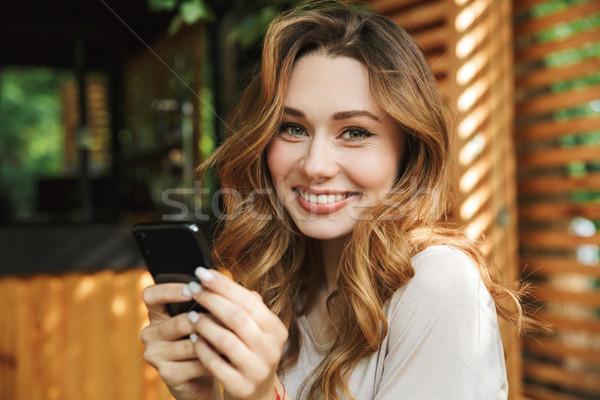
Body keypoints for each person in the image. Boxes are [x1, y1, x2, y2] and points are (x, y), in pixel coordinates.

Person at [140, 2, 541, 399]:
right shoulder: (283, 285)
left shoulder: (439, 287)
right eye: (293, 128)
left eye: (354, 132)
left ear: (409, 149)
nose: (315, 165)